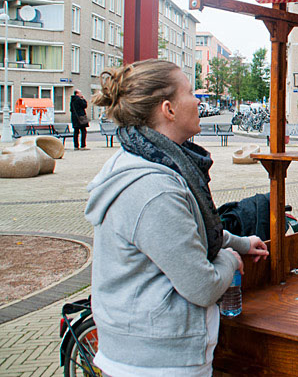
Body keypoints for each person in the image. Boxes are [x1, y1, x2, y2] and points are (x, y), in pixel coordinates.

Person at [84, 59, 269, 376]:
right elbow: (203, 287)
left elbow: (187, 231)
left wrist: (240, 243)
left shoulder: (156, 162)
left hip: (149, 352)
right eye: (189, 92)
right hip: (155, 361)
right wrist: (229, 260)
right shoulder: (155, 189)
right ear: (168, 109)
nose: (198, 100)